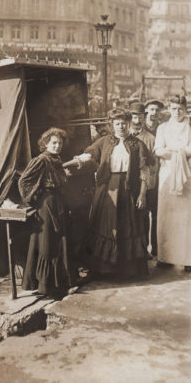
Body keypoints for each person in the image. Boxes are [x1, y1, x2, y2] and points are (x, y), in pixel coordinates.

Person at [75, 109, 151, 278]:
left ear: (128, 123)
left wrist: (142, 194)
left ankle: (129, 270)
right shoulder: (104, 142)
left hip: (129, 189)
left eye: (124, 123)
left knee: (128, 226)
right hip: (107, 189)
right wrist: (79, 159)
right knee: (107, 226)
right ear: (112, 125)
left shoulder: (137, 144)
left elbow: (144, 171)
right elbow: (90, 154)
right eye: (117, 123)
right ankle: (104, 270)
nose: (121, 126)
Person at [18, 128, 74, 297]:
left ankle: (61, 284)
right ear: (46, 144)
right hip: (47, 204)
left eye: (60, 143)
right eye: (54, 143)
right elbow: (24, 181)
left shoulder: (56, 159)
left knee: (59, 242)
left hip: (58, 202)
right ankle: (46, 286)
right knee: (47, 242)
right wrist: (35, 200)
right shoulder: (41, 159)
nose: (57, 146)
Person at [155, 95, 191, 270]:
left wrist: (175, 151)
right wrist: (179, 152)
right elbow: (158, 150)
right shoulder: (162, 128)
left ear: (185, 109)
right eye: (174, 108)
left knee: (186, 217)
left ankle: (188, 259)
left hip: (187, 175)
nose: (177, 112)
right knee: (167, 215)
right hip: (168, 174)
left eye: (180, 108)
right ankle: (165, 257)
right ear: (169, 109)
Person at [130, 102, 158, 258]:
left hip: (145, 183)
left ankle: (147, 249)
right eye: (134, 116)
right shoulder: (124, 136)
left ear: (144, 117)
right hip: (128, 183)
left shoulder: (150, 139)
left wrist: (148, 184)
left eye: (140, 116)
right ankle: (133, 250)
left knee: (145, 215)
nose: (137, 120)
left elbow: (154, 164)